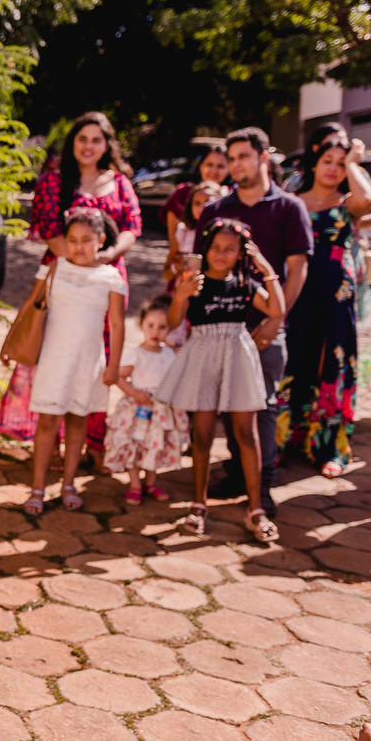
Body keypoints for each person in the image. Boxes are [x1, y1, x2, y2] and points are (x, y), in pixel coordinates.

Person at [0, 111, 140, 472]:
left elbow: (132, 226)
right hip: (62, 279)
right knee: (54, 355)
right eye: (82, 139)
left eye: (96, 140)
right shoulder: (54, 182)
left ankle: (93, 442)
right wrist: (81, 262)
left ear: (107, 145)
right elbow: (46, 228)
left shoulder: (120, 182)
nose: (89, 146)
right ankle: (51, 441)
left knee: (96, 360)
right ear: (72, 143)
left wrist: (106, 256)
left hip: (106, 281)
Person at [197, 127, 313, 519]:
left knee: (260, 408)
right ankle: (235, 474)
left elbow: (297, 271)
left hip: (266, 327)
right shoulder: (216, 210)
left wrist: (274, 320)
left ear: (264, 158)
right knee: (229, 410)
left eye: (243, 156)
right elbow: (199, 269)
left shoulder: (289, 208)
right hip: (217, 327)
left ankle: (261, 490)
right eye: (231, 159)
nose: (235, 165)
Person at [155, 219, 285, 542]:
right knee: (202, 434)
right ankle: (198, 505)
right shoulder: (193, 283)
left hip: (237, 357)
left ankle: (256, 509)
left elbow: (276, 309)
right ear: (205, 249)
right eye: (215, 248)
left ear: (242, 253)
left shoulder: (244, 284)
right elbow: (172, 323)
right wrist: (180, 295)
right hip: (202, 357)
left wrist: (265, 267)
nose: (221, 254)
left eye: (230, 249)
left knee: (247, 433)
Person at [12, 207, 125, 516]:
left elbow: (117, 324)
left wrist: (114, 365)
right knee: (48, 421)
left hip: (89, 362)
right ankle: (37, 487)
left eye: (86, 240)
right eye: (72, 240)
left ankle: (69, 484)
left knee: (78, 420)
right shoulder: (54, 267)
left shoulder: (111, 277)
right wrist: (11, 341)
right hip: (53, 358)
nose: (79, 247)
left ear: (101, 240)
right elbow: (29, 304)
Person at [280, 127, 371, 477]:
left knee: (330, 364)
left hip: (337, 297)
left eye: (339, 163)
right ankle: (283, 440)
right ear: (313, 165)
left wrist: (354, 163)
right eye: (327, 161)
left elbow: (366, 197)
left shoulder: (349, 204)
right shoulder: (293, 201)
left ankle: (330, 448)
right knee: (295, 360)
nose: (333, 168)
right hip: (299, 293)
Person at [103, 294, 188, 503]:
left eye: (162, 327)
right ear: (141, 325)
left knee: (154, 444)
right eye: (150, 325)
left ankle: (151, 483)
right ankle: (134, 483)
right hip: (137, 409)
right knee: (135, 443)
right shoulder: (136, 354)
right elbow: (119, 377)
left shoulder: (169, 354)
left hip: (160, 411)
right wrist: (135, 393)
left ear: (169, 329)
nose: (155, 332)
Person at [163, 181, 225, 349]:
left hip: (212, 298)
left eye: (208, 202)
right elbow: (166, 273)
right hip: (184, 295)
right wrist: (176, 269)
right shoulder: (183, 233)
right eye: (196, 203)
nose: (202, 208)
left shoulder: (226, 236)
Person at [160, 143, 229, 240]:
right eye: (209, 164)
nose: (214, 170)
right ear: (201, 166)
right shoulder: (184, 192)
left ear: (228, 169)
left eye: (220, 166)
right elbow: (173, 234)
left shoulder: (230, 195)